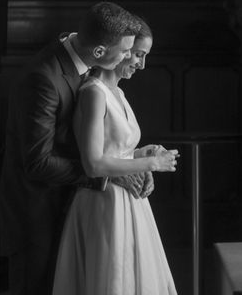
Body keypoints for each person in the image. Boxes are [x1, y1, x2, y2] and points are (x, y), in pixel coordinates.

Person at [0, 1, 146, 295]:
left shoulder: (86, 61)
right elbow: (38, 163)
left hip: (73, 207)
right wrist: (107, 174)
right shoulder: (42, 79)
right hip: (37, 216)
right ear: (100, 52)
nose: (130, 57)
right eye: (127, 51)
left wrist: (135, 159)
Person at [52, 18, 179, 295]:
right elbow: (94, 162)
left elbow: (115, 150)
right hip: (104, 203)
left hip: (129, 203)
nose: (140, 64)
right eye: (137, 55)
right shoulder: (93, 93)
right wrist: (152, 164)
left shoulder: (118, 92)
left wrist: (142, 154)